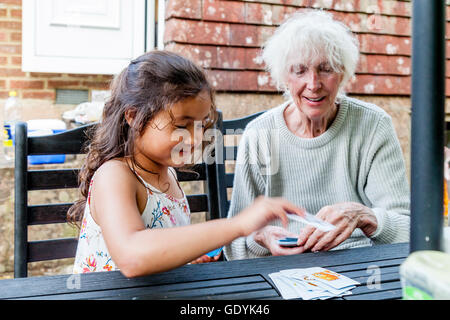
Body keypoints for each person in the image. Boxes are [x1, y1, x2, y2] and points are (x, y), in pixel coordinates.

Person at [67, 51, 304, 277]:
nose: (196, 138)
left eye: (201, 125)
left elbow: (160, 247)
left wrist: (187, 255)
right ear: (133, 117)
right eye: (182, 125)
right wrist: (238, 225)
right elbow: (132, 256)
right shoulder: (115, 176)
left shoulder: (167, 174)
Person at [224, 10, 410, 261]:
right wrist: (260, 238)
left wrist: (363, 216)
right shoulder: (259, 134)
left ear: (343, 73)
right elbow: (235, 242)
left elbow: (407, 231)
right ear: (283, 77)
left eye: (326, 69)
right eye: (299, 71)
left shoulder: (373, 125)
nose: (313, 84)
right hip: (283, 268)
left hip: (361, 265)